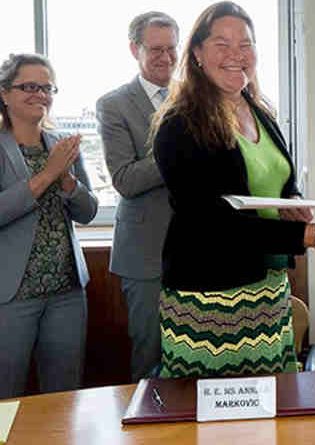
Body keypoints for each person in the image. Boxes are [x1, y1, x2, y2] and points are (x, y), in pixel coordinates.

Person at [151, 1, 315, 378]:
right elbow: (211, 221)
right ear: (198, 53)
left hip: (267, 288)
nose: (236, 54)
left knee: (271, 411)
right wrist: (312, 235)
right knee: (212, 418)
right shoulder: (180, 123)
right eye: (222, 43)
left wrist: (293, 202)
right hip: (208, 295)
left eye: (245, 44)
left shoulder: (260, 110)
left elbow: (279, 177)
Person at [0, 53, 98, 397]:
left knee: (65, 395)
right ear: (4, 93)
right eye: (29, 86)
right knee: (6, 394)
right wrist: (48, 175)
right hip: (10, 295)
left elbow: (88, 212)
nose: (40, 94)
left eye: (47, 87)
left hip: (67, 292)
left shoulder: (63, 145)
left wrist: (69, 184)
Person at [96, 11, 179, 382]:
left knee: (192, 353)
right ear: (135, 49)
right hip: (145, 255)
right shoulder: (113, 104)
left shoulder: (195, 98)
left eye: (172, 48)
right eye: (156, 49)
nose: (166, 57)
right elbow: (125, 179)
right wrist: (180, 152)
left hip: (197, 248)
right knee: (150, 354)